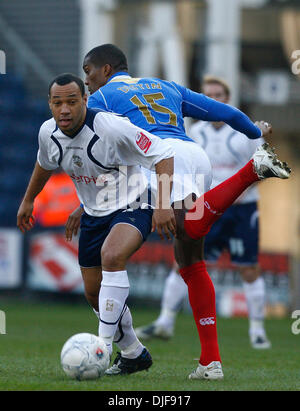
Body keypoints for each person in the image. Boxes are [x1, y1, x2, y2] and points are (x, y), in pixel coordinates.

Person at [65, 44, 290, 380]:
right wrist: (255, 133)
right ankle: (210, 362)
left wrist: (88, 203)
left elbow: (91, 153)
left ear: (107, 69)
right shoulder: (166, 87)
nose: (87, 80)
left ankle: (251, 171)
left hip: (157, 161)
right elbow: (224, 112)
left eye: (89, 71)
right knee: (190, 262)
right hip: (193, 155)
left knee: (178, 232)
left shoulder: (100, 100)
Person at [16, 73, 177, 376]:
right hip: (93, 213)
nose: (64, 109)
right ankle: (133, 352)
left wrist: (164, 203)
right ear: (50, 104)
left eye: (72, 102)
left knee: (112, 256)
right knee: (94, 293)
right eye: (57, 102)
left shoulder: (111, 127)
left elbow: (163, 153)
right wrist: (28, 200)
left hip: (134, 203)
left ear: (85, 101)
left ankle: (100, 349)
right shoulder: (47, 133)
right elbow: (44, 163)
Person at [135, 76, 271, 349]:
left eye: (219, 94)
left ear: (227, 98)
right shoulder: (193, 133)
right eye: (209, 94)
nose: (214, 99)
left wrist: (262, 137)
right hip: (204, 207)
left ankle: (257, 331)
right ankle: (165, 322)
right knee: (185, 261)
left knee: (249, 267)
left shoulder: (244, 131)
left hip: (241, 210)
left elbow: (263, 166)